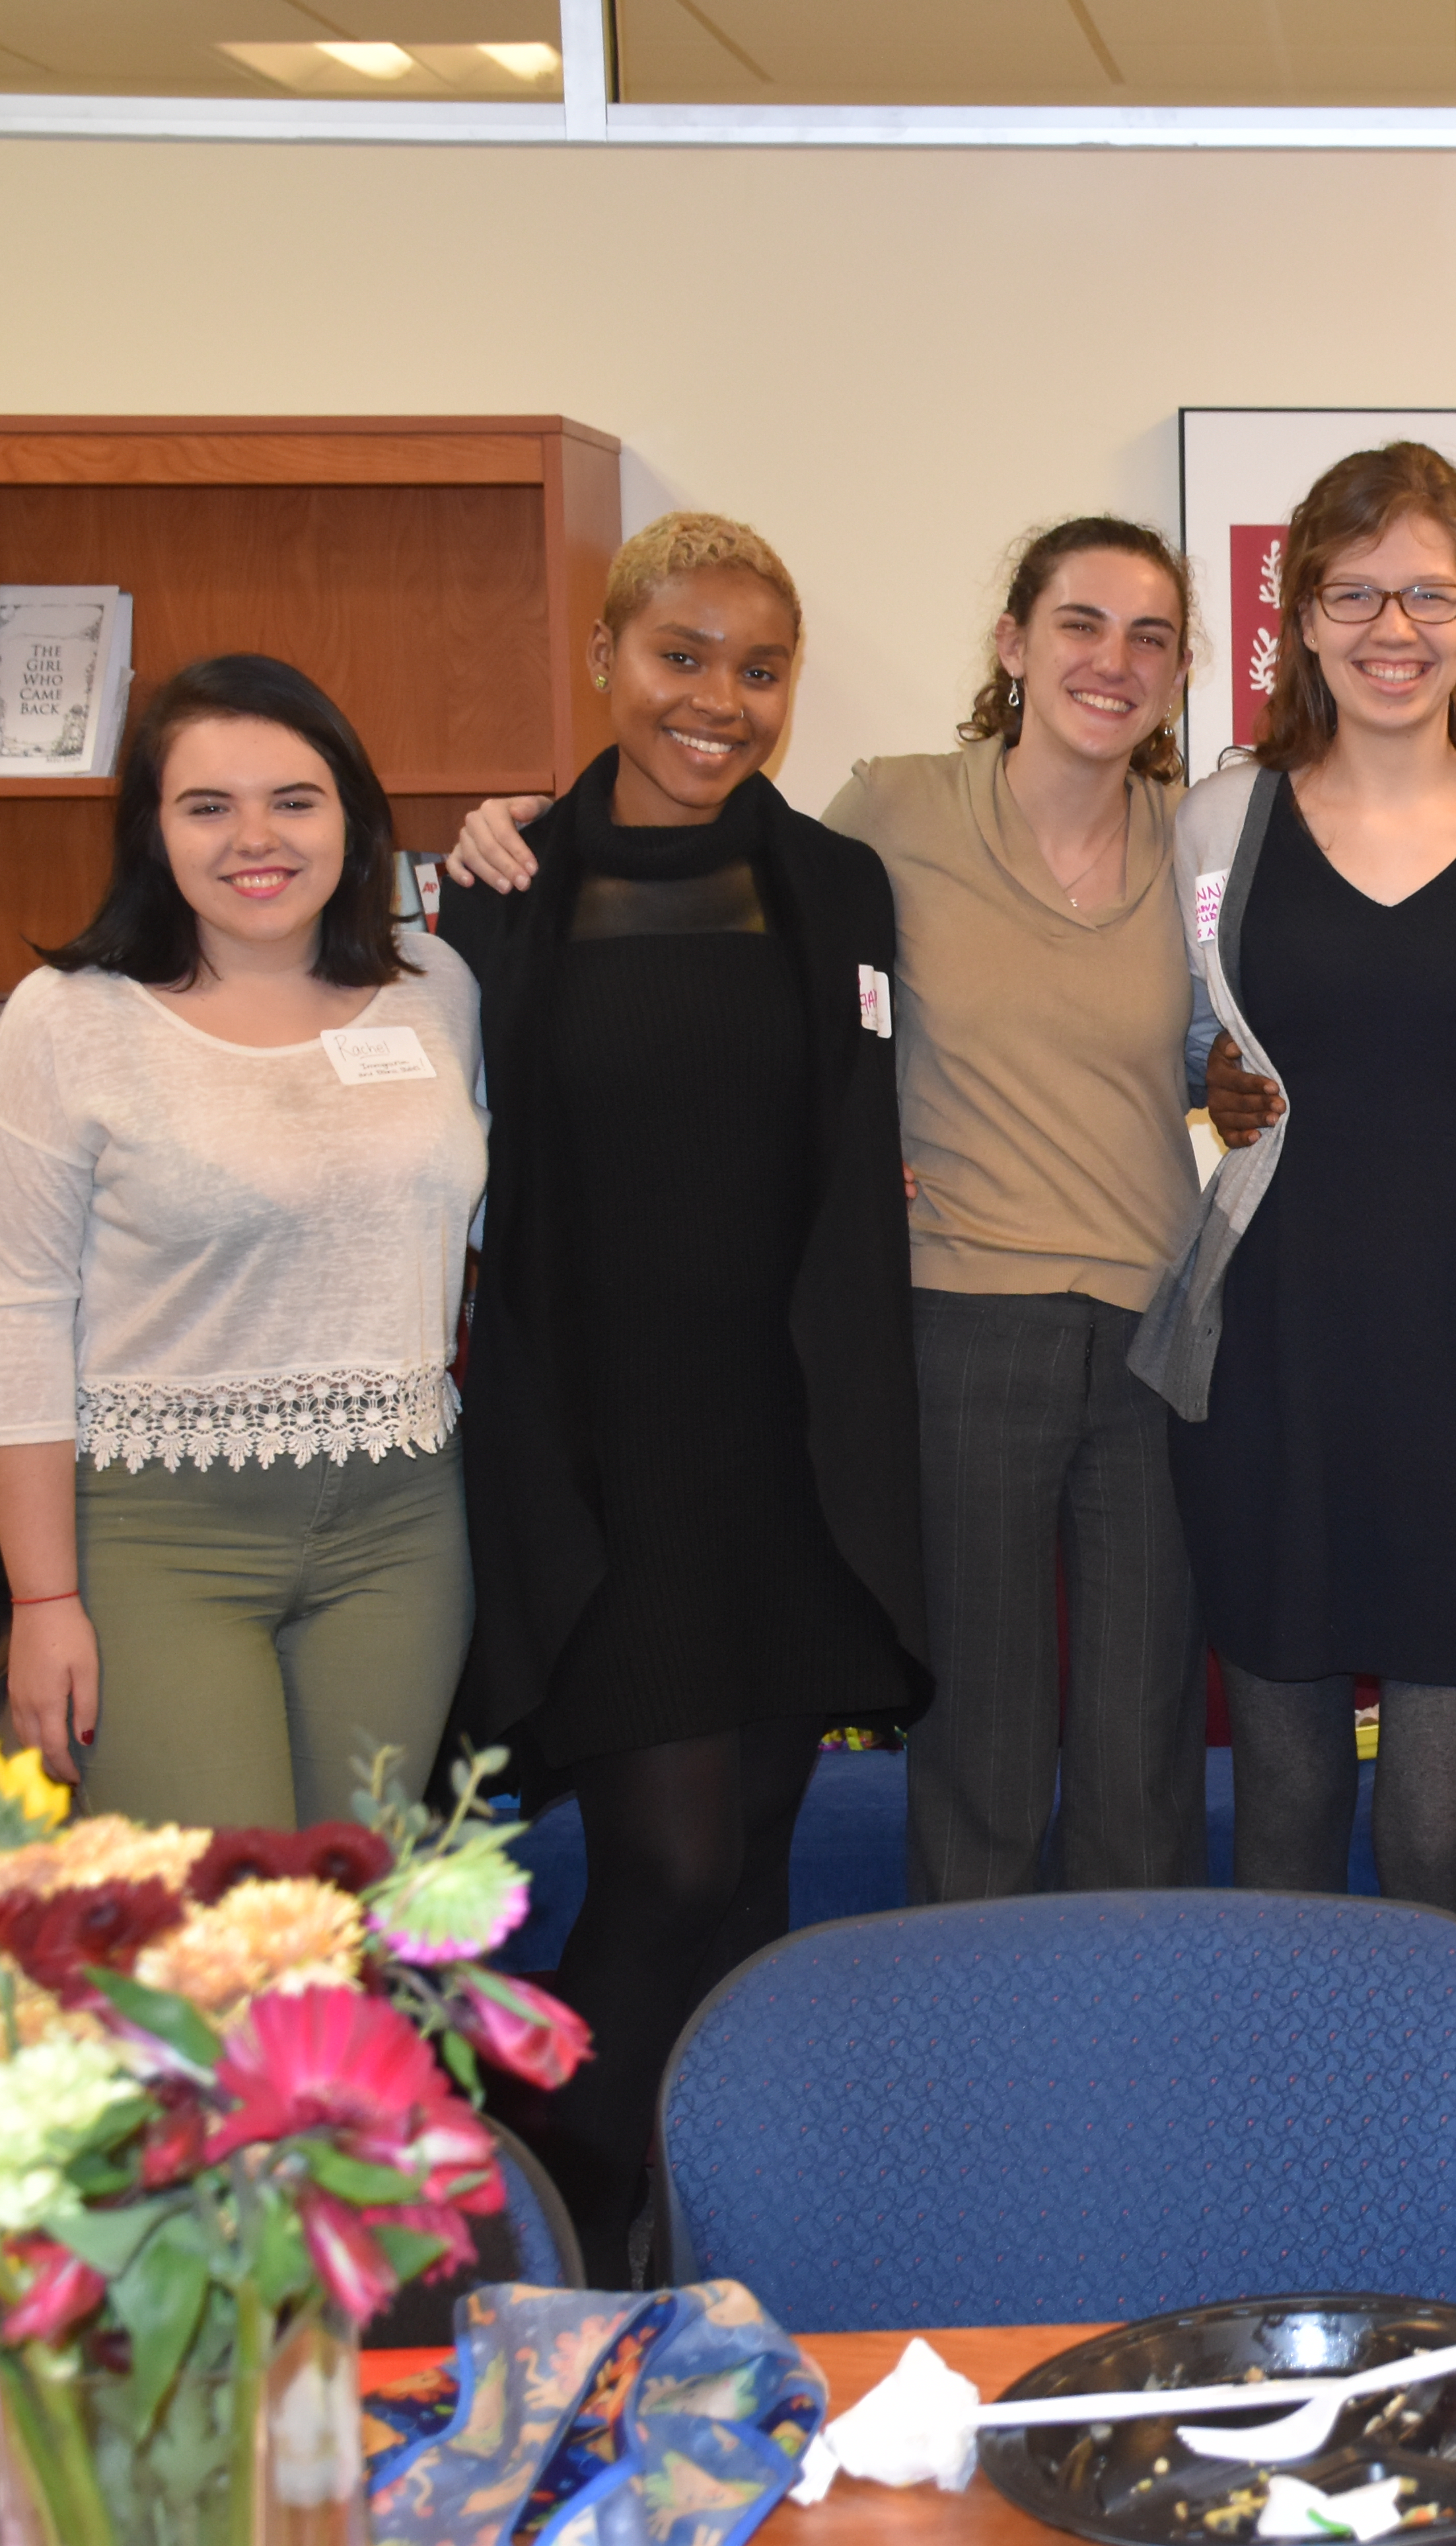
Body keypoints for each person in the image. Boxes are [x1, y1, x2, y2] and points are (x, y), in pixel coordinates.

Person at [447, 519, 1209, 1902]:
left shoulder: (1202, 834)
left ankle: (1124, 2062)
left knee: (1142, 1742)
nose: (1115, 660)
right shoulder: (893, 816)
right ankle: (969, 2068)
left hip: (1158, 1332)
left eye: (1151, 635)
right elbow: (723, 917)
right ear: (1014, 643)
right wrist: (507, 829)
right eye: (1082, 623)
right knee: (979, 1744)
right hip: (964, 1319)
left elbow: (1262, 1024)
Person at [438, 511, 929, 2285]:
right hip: (598, 1461)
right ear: (605, 658)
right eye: (682, 656)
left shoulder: (836, 888)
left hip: (786, 1461)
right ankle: (516, 2195)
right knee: (664, 1866)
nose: (718, 699)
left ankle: (702, 2244)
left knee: (753, 1880)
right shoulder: (496, 892)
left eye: (759, 668)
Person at [1135, 441, 1456, 1935]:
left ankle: (1451, 2161)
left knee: (1436, 1832)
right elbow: (1170, 1044)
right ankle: (1286, 2150)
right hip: (1280, 1357)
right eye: (1355, 592)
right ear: (1301, 616)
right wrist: (1205, 1083)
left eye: (1427, 591)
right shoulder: (1217, 824)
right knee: (1282, 1811)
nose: (1391, 628)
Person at [0, 654, 482, 1826]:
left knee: (349, 1918)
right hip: (159, 1538)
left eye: (294, 800)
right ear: (155, 832)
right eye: (209, 806)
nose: (257, 837)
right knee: (210, 1939)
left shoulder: (439, 991)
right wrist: (42, 1600)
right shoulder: (66, 1022)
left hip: (403, 1531)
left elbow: (513, 1209)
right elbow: (21, 1322)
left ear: (353, 822)